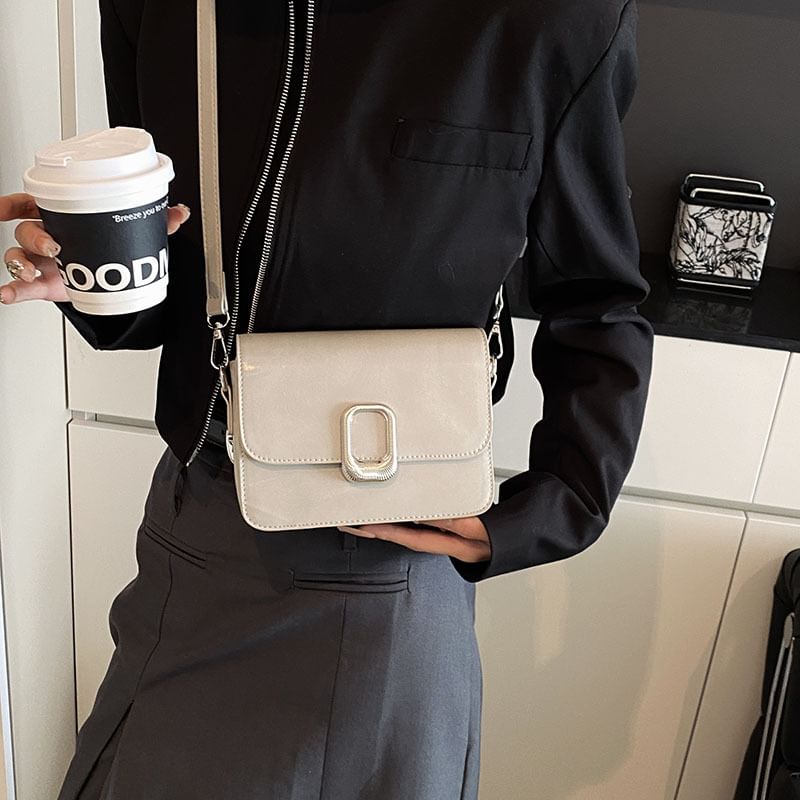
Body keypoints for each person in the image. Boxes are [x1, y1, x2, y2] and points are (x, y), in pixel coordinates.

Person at [0, 0, 654, 796]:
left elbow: (596, 298)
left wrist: (555, 507)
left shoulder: (559, 16)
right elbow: (175, 291)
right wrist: (96, 275)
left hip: (391, 560)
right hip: (200, 536)